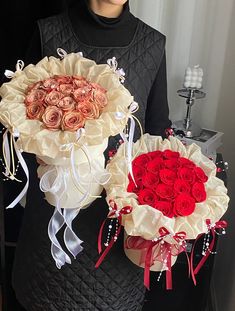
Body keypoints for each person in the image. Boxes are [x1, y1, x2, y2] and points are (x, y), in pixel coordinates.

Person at [11, 0, 172, 310]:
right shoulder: (48, 32)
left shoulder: (152, 43)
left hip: (115, 217)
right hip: (52, 208)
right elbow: (21, 119)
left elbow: (156, 130)